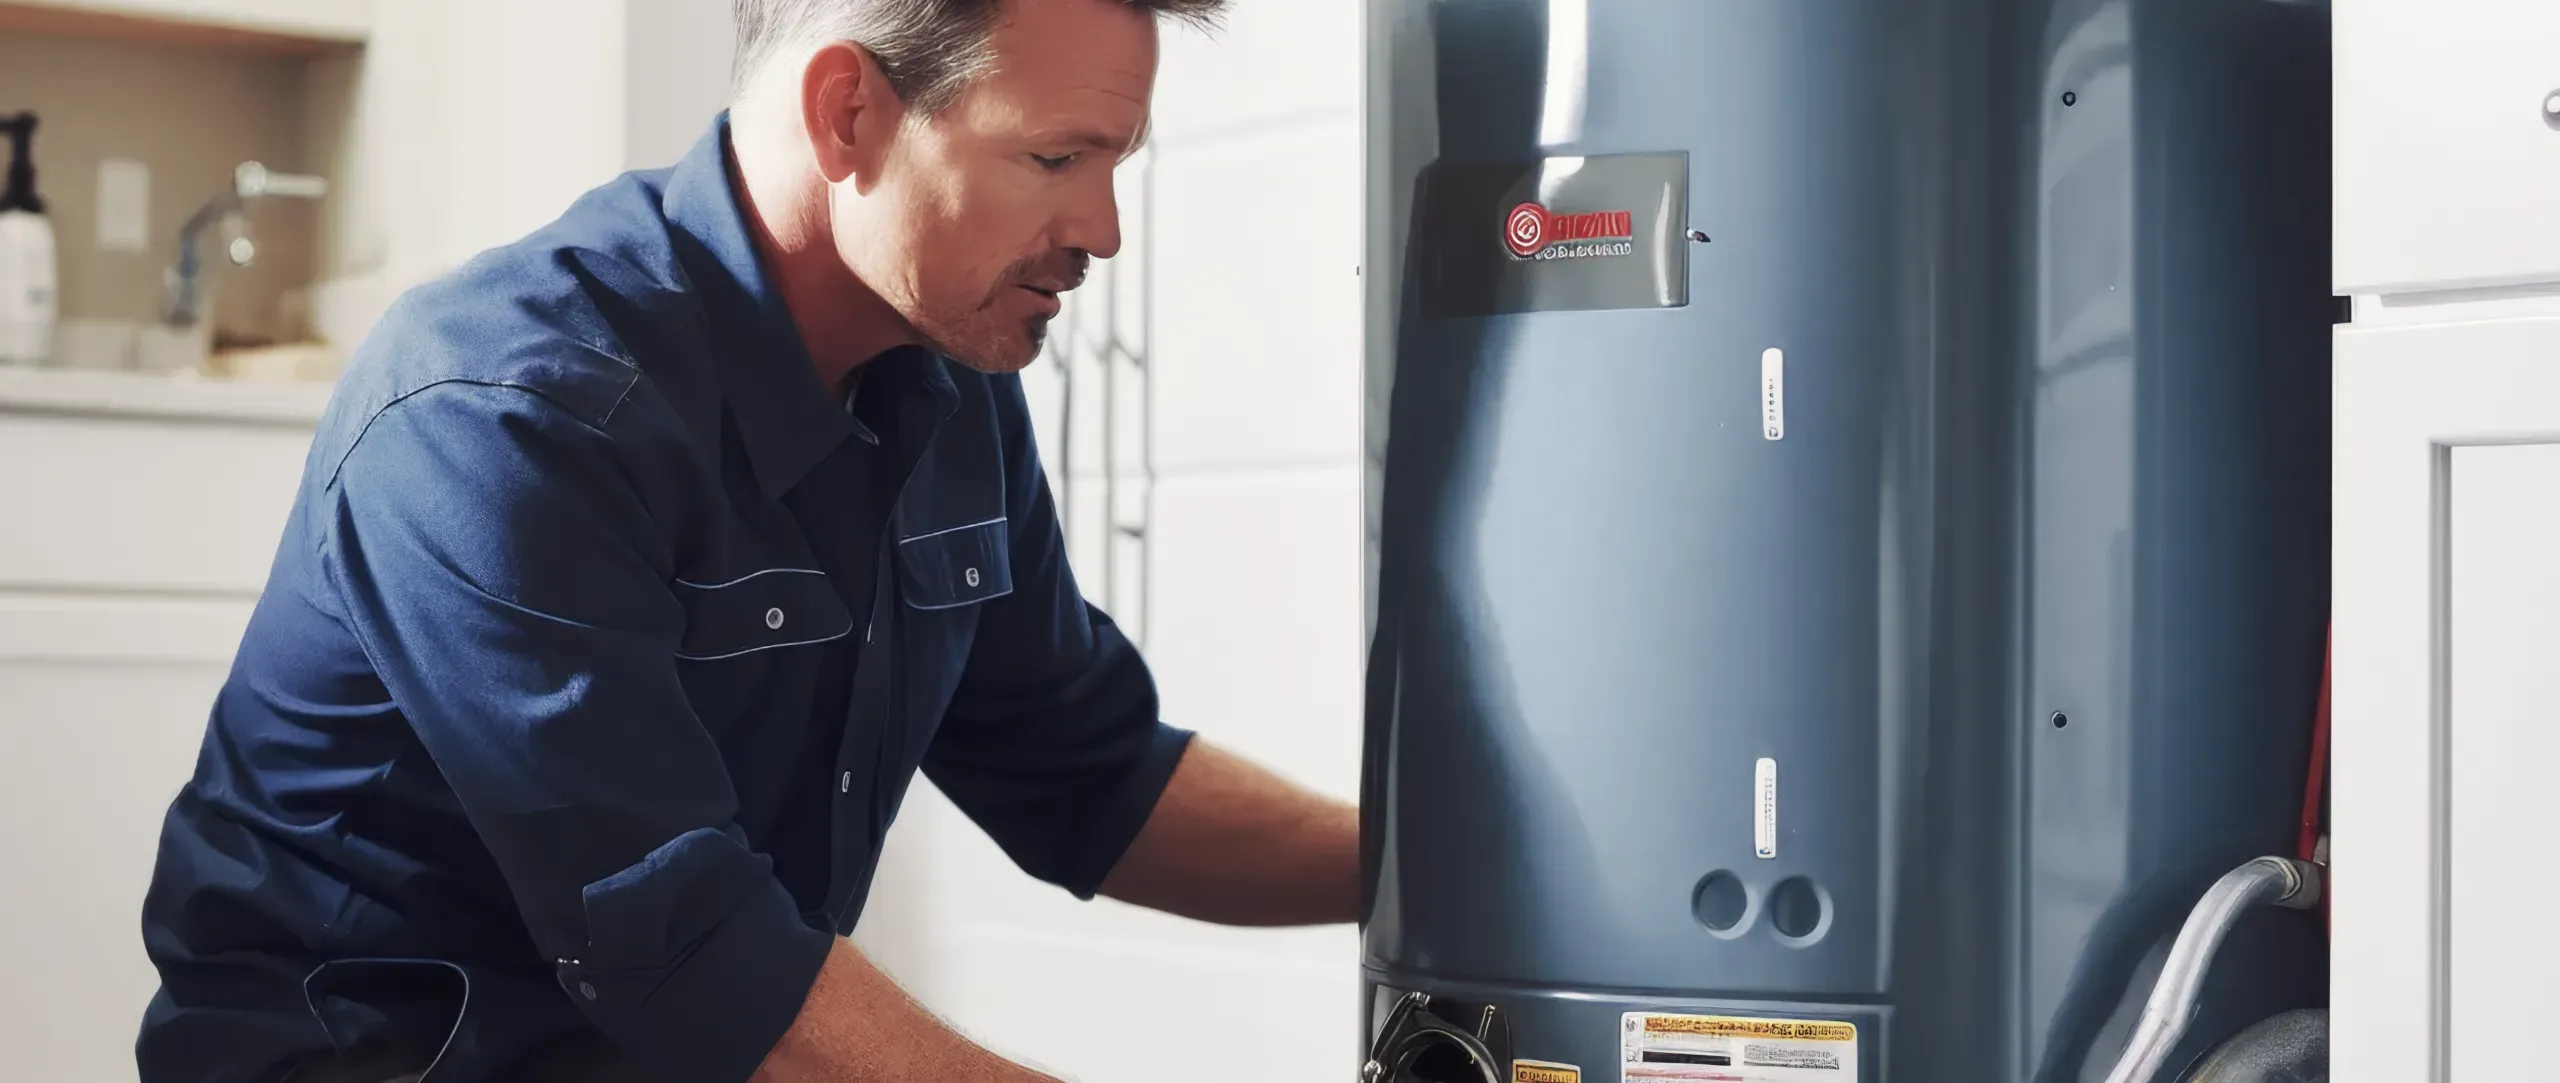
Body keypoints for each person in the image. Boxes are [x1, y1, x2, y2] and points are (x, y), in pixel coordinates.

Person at [135, 1, 1359, 1080]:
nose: (1101, 228)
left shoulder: (945, 379)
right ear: (848, 113)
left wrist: (1443, 885)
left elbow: (1089, 775)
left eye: (1113, 164)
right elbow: (690, 948)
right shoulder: (506, 409)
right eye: (1055, 157)